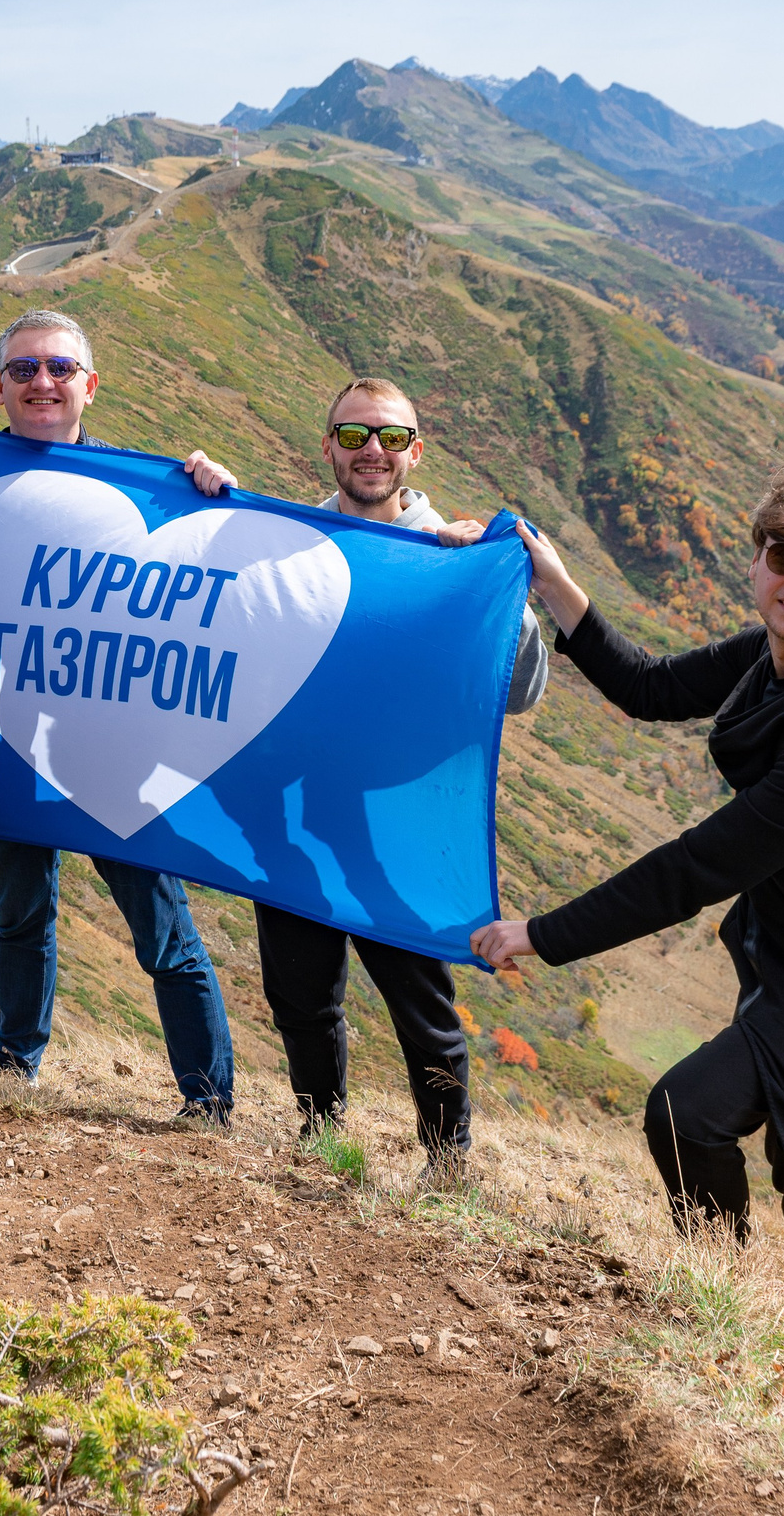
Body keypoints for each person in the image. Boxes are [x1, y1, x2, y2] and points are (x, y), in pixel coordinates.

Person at [472, 458, 784, 1286]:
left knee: (776, 1164)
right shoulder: (778, 653)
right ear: (756, 559)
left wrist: (539, 934)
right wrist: (551, 577)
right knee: (746, 1143)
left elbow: (694, 868)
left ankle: (781, 1322)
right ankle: (729, 1295)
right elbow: (648, 686)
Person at [0, 308, 243, 1120]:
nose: (42, 383)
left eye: (59, 368)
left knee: (162, 930)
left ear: (89, 384)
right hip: (11, 742)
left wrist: (213, 492)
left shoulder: (150, 493)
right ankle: (13, 1061)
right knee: (20, 910)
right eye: (23, 370)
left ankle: (209, 1100)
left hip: (115, 754)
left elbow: (222, 584)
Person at [252, 376, 550, 1179]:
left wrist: (491, 588)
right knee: (301, 999)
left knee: (421, 1003)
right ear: (328, 447)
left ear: (416, 450)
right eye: (352, 436)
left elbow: (520, 692)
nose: (371, 451)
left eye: (389, 436)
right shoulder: (293, 546)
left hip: (401, 824)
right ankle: (322, 1142)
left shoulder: (450, 554)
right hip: (298, 819)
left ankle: (447, 1163)